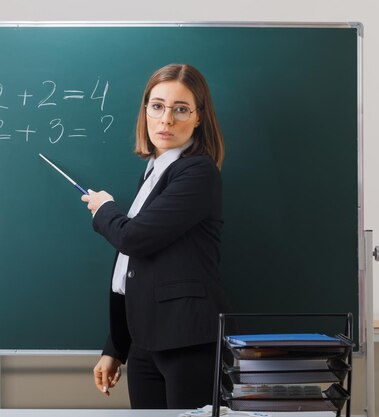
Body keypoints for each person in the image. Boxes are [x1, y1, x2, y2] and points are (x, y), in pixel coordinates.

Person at [81, 63, 231, 409]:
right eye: (157, 106)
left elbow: (134, 240)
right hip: (145, 341)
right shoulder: (153, 171)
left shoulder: (198, 171)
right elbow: (133, 272)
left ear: (198, 117)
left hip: (187, 341)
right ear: (145, 110)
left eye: (181, 109)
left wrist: (105, 209)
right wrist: (115, 348)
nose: (166, 120)